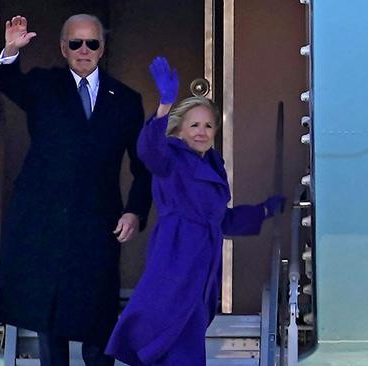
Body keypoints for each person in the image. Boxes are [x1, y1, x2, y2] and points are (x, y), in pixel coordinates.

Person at [0, 14, 152, 366]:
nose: (84, 50)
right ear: (63, 48)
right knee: (51, 316)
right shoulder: (44, 85)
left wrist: (135, 211)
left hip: (99, 222)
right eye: (75, 43)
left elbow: (143, 165)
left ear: (101, 48)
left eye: (92, 43)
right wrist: (11, 51)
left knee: (98, 316)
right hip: (49, 220)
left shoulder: (124, 99)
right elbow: (7, 81)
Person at [105, 57, 285, 366]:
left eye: (208, 125)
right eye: (194, 125)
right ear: (180, 130)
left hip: (203, 265)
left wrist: (265, 210)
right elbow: (149, 149)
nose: (201, 132)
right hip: (175, 258)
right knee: (169, 337)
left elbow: (222, 219)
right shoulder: (171, 158)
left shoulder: (212, 165)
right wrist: (164, 104)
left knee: (186, 340)